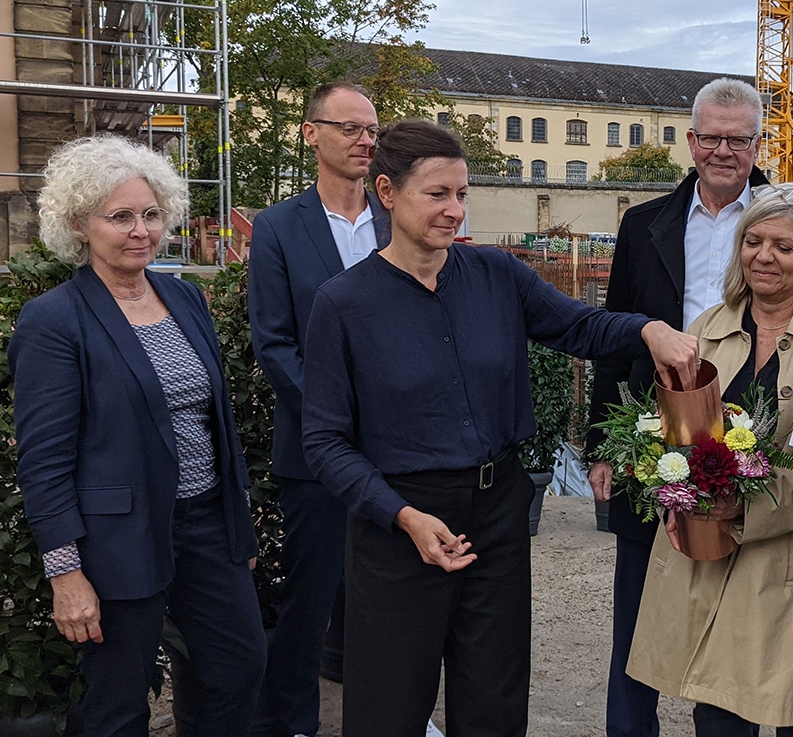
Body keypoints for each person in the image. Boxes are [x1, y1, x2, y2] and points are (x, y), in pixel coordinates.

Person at [301, 119, 700, 737]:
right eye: (437, 194)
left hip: (497, 513)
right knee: (388, 703)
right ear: (386, 191)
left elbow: (581, 327)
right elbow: (324, 442)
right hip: (400, 525)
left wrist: (646, 329)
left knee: (494, 697)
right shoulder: (343, 303)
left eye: (462, 194)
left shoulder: (497, 276)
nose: (454, 211)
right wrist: (402, 516)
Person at [11, 134, 266, 735]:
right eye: (119, 216)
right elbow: (44, 463)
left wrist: (238, 523)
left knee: (238, 666)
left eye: (151, 215)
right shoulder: (55, 320)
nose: (139, 230)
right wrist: (66, 573)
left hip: (205, 523)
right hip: (117, 537)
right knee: (117, 699)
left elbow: (215, 424)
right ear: (79, 224)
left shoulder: (184, 297)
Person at [626, 184, 793, 736]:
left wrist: (742, 510)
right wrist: (676, 485)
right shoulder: (704, 329)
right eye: (753, 241)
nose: (764, 256)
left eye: (784, 247)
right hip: (711, 552)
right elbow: (671, 430)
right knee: (718, 710)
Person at [585, 77, 770, 737]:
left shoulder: (788, 218)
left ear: (757, 142)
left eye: (738, 139)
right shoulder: (644, 225)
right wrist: (600, 443)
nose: (724, 150)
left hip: (754, 433)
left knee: (734, 611)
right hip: (653, 428)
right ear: (691, 142)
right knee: (638, 607)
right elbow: (614, 333)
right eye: (711, 137)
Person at [249, 82, 417, 737]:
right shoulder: (278, 229)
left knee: (395, 595)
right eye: (349, 128)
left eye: (371, 130)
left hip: (402, 447)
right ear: (310, 134)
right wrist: (334, 423)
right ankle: (292, 720)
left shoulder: (394, 216)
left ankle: (392, 718)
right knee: (313, 596)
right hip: (317, 451)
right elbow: (274, 342)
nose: (365, 140)